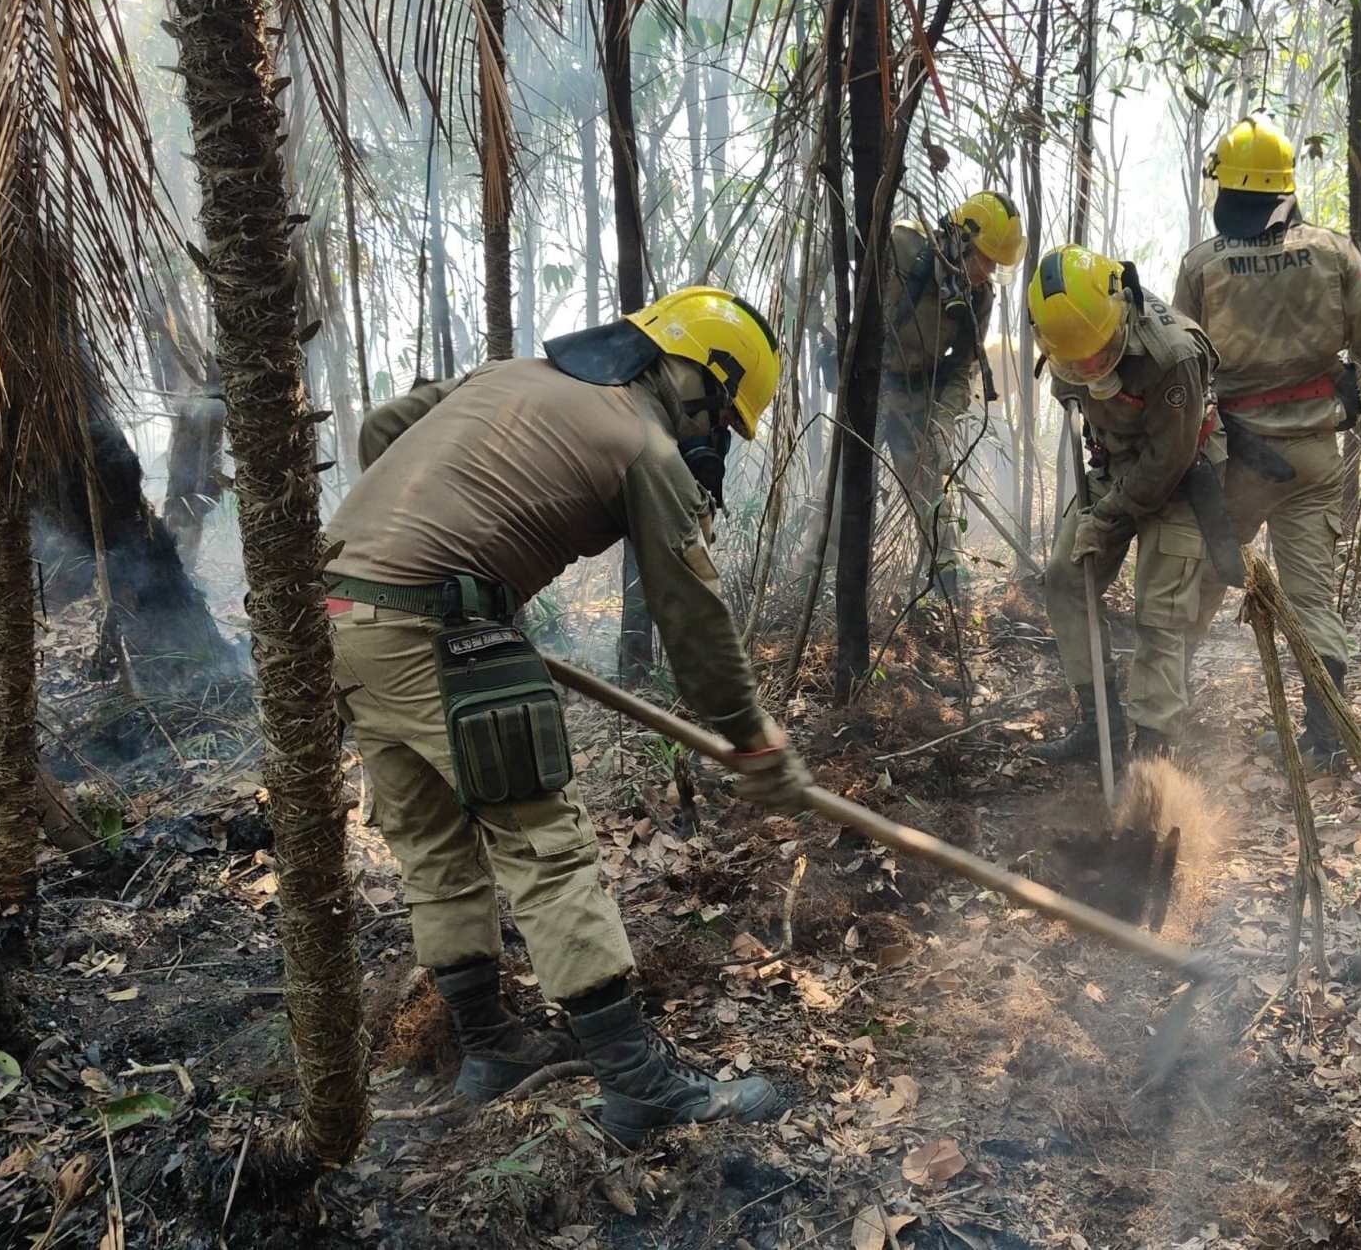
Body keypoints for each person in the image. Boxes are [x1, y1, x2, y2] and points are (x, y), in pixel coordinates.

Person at [322, 287, 811, 1145]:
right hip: (432, 631)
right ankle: (638, 1081)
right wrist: (752, 737)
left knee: (435, 842)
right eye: (723, 418)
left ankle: (490, 1047)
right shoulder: (643, 447)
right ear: (698, 376)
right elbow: (691, 615)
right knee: (544, 845)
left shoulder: (509, 374)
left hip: (335, 616)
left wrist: (419, 552)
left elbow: (385, 427)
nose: (713, 440)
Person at [1171, 115, 1361, 772]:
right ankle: (1327, 735)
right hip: (1313, 460)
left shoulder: (1204, 264)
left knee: (1201, 583)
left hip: (1239, 461)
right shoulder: (1335, 253)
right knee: (1311, 599)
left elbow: (1184, 368)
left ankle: (1162, 720)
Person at [1023, 244, 1227, 765]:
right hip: (1112, 467)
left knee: (1159, 612)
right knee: (1066, 580)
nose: (1090, 365)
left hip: (1180, 476)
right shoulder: (1065, 334)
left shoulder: (1173, 354)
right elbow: (1068, 390)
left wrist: (1110, 519)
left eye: (1098, 352)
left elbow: (1166, 462)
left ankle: (1152, 753)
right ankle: (1100, 724)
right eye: (1077, 360)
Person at [876, 190, 1026, 600]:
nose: (988, 273)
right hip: (870, 389)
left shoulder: (979, 297)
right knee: (840, 500)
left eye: (996, 266)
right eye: (985, 260)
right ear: (961, 240)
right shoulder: (904, 250)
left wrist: (942, 421)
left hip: (920, 394)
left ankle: (948, 594)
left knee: (935, 502)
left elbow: (964, 367)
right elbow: (846, 299)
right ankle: (813, 588)